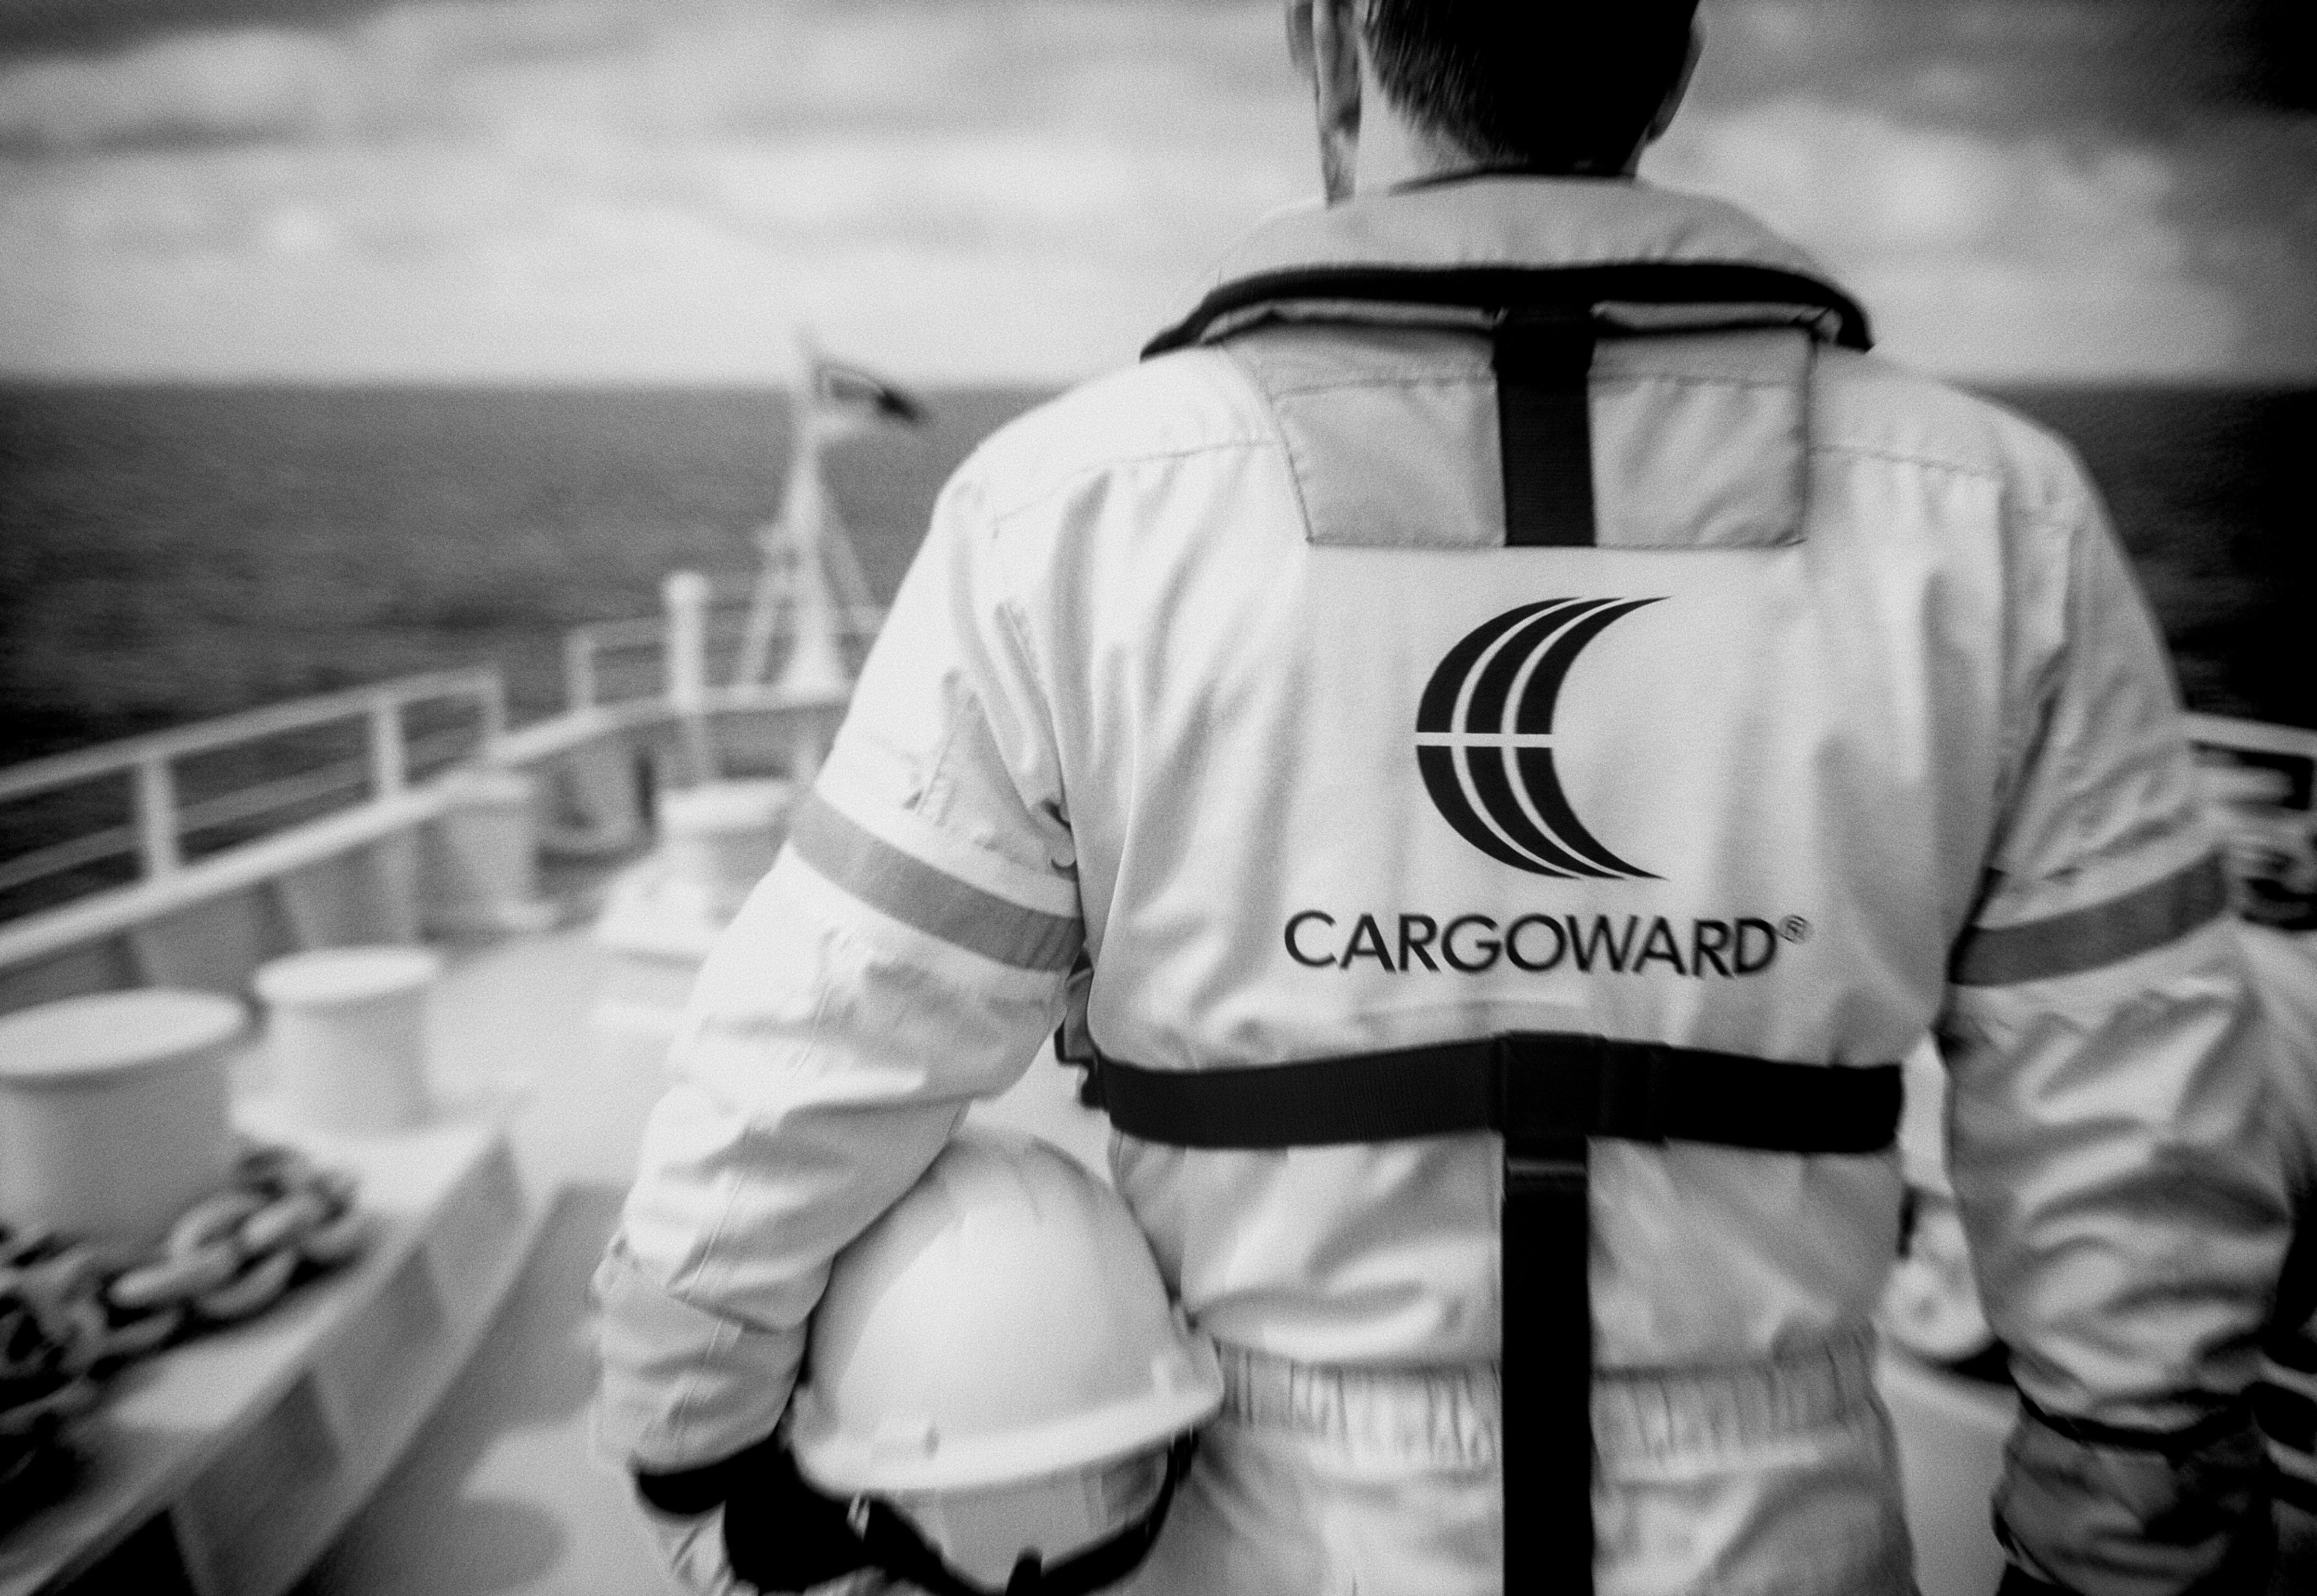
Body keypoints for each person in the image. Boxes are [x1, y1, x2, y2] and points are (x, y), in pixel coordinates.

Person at [593, 3, 2294, 1592]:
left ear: (1329, 41)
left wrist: (697, 1453)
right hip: (1787, 1523)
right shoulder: (1994, 519)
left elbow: (813, 1059)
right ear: (1672, 57)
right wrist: (2129, 1550)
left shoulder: (1074, 513)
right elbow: (2139, 1131)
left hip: (1282, 1531)